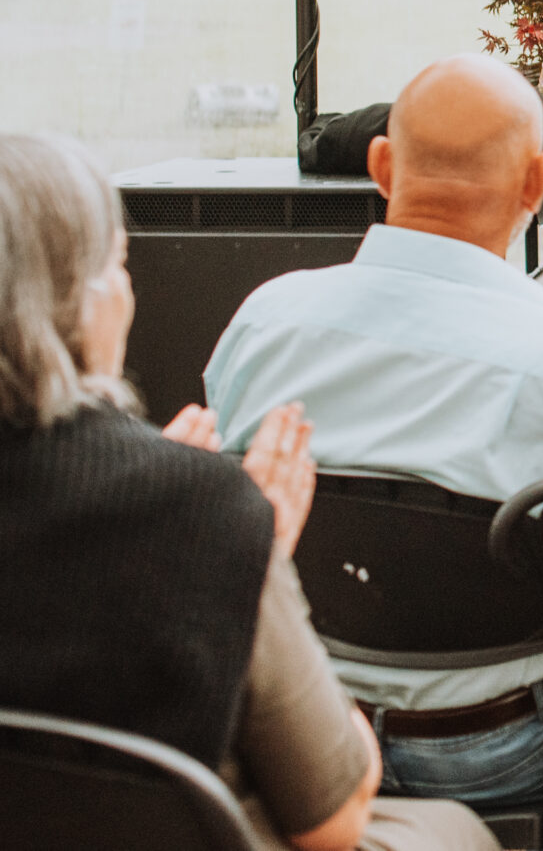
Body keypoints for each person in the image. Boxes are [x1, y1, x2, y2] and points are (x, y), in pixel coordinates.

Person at [0, 132, 496, 851]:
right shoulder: (199, 512)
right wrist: (240, 549)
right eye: (119, 264)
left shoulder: (182, 505)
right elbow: (333, 818)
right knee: (456, 830)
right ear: (81, 299)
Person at [203, 55, 543, 810]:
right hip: (504, 753)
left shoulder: (264, 323)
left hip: (296, 737)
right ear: (537, 184)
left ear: (381, 166)